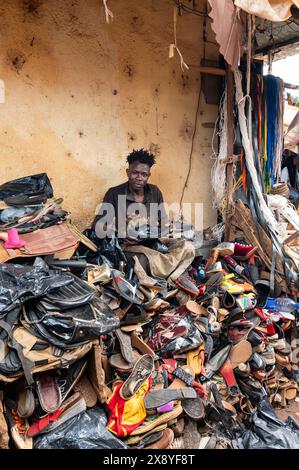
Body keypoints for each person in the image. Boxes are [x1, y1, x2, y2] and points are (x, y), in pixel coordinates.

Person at [91, 148, 196, 290]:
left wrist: (164, 230)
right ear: (128, 172)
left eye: (144, 174)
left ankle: (168, 274)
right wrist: (120, 232)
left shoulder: (154, 192)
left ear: (148, 175)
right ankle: (172, 273)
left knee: (188, 248)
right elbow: (97, 225)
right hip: (128, 247)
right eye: (135, 173)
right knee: (148, 259)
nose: (139, 177)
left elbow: (163, 223)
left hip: (153, 242)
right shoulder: (114, 193)